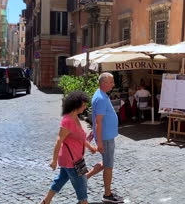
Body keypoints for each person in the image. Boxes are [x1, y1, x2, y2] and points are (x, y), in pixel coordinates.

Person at [39, 91, 98, 204]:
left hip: (73, 159)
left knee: (60, 180)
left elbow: (80, 137)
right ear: (76, 105)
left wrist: (90, 147)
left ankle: (46, 201)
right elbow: (59, 140)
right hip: (71, 160)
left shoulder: (76, 117)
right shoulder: (68, 121)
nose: (85, 107)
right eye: (84, 105)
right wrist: (54, 160)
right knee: (82, 188)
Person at [92, 72, 124, 203]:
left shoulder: (101, 95)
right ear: (104, 83)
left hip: (106, 136)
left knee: (106, 163)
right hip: (105, 138)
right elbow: (99, 121)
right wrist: (99, 142)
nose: (113, 84)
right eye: (111, 82)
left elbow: (97, 119)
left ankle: (85, 177)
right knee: (109, 165)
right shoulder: (100, 98)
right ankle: (107, 194)